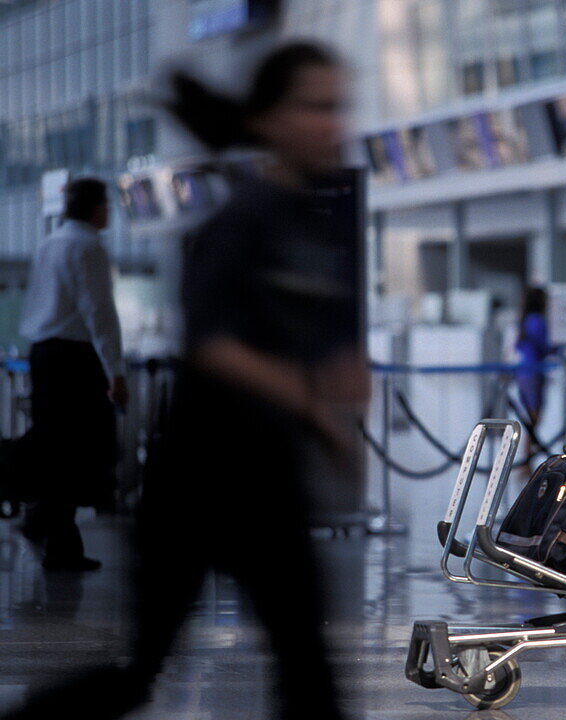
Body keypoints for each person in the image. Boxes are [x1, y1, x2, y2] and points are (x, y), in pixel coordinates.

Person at [2, 42, 366, 720]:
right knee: (140, 677)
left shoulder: (307, 221)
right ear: (269, 119)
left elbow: (316, 334)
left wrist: (338, 380)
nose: (332, 124)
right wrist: (311, 400)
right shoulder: (243, 218)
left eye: (337, 107)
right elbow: (215, 347)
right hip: (197, 483)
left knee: (310, 683)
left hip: (267, 483)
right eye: (314, 107)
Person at [18, 177, 127, 572]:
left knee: (55, 447)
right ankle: (44, 523)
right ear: (97, 208)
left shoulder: (50, 243)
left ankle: (54, 534)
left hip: (44, 354)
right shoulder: (89, 247)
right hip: (74, 359)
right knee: (84, 448)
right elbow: (99, 311)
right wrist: (115, 370)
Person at [515, 287, 553, 465]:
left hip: (524, 370)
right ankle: (526, 457)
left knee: (531, 417)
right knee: (534, 416)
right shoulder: (537, 320)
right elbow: (543, 345)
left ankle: (527, 456)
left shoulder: (525, 320)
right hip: (533, 371)